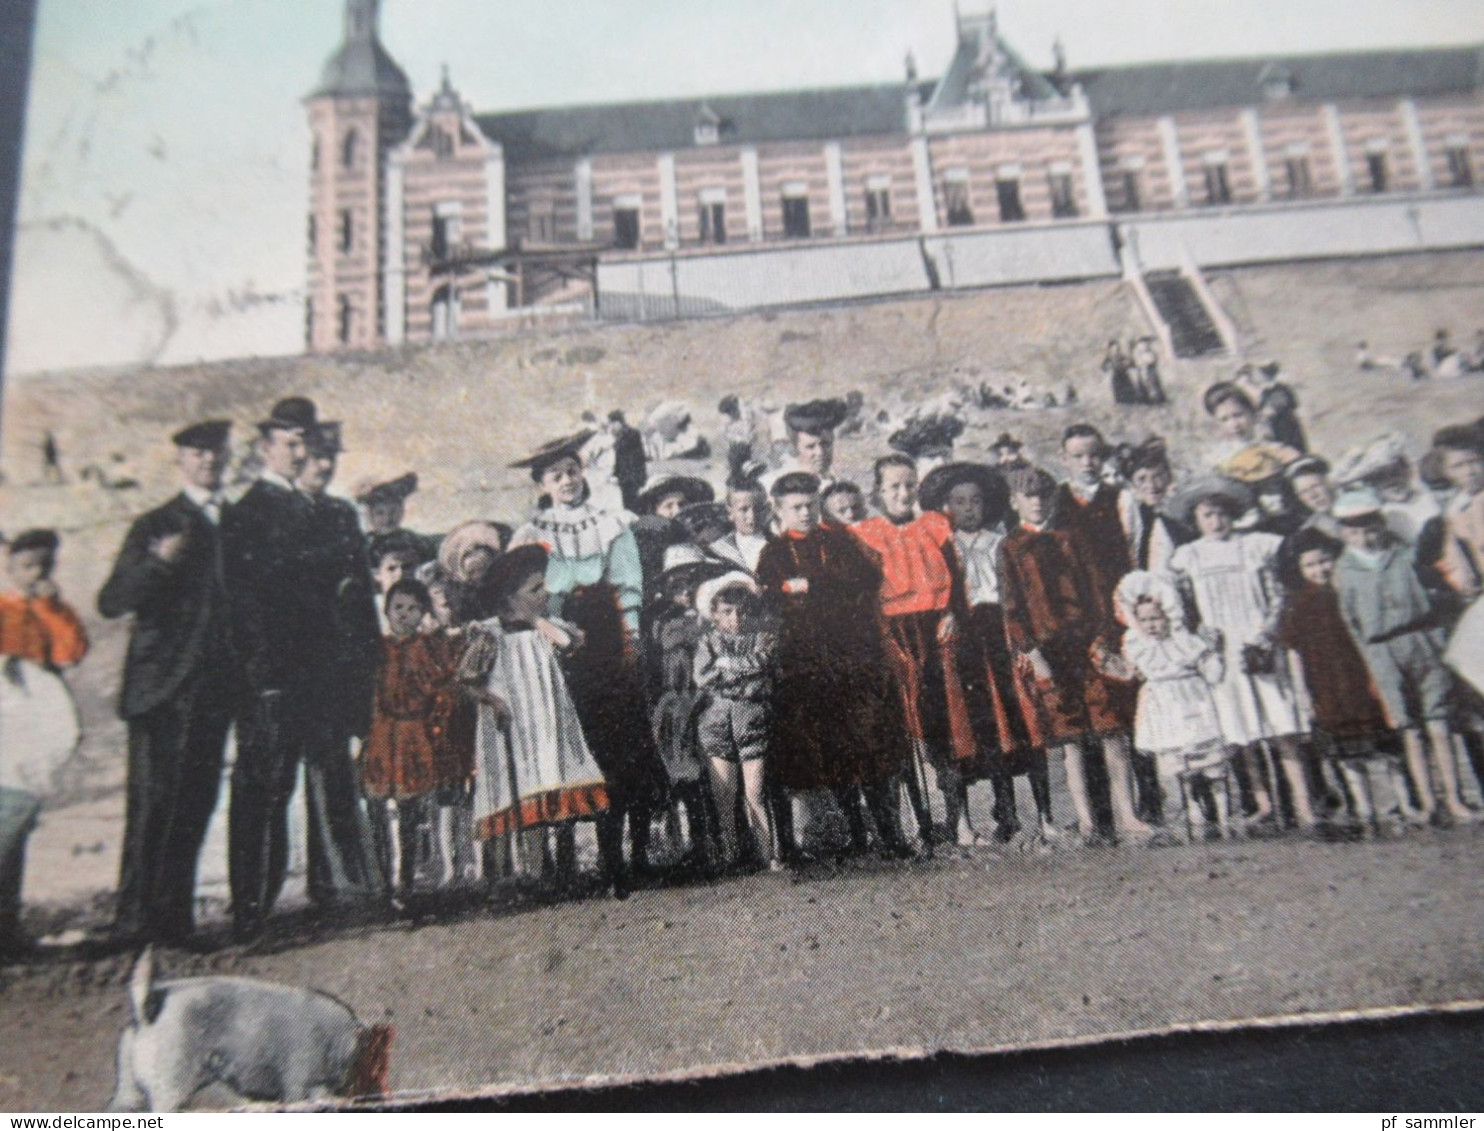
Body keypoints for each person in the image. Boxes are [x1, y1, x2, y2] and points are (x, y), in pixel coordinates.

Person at [221, 397, 376, 940]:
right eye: (290, 443)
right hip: (274, 682)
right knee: (264, 788)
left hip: (328, 676)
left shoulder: (335, 513)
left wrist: (363, 675)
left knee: (334, 780)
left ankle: (343, 892)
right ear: (266, 448)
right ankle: (251, 906)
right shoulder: (246, 514)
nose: (301, 452)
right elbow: (243, 607)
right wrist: (261, 679)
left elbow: (356, 604)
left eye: (305, 442)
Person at [98, 419, 238, 946]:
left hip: (213, 689)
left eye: (215, 454)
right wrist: (157, 564)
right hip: (160, 690)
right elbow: (112, 600)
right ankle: (133, 923)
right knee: (154, 805)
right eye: (197, 454)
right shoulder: (156, 523)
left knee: (195, 802)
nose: (207, 462)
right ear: (180, 460)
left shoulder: (235, 521)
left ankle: (175, 922)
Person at [509, 433, 666, 886]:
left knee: (627, 742)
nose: (567, 481)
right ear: (543, 483)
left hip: (610, 641)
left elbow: (627, 584)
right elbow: (521, 598)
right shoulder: (533, 534)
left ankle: (637, 855)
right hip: (562, 647)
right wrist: (547, 630)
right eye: (556, 476)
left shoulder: (611, 523)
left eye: (572, 472)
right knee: (583, 745)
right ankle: (595, 858)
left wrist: (631, 638)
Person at [756, 471, 914, 863]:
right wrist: (816, 588)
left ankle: (889, 833)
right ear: (778, 509)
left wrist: (808, 587)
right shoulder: (773, 554)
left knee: (870, 744)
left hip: (853, 659)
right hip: (805, 664)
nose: (805, 512)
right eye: (795, 507)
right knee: (831, 750)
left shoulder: (841, 540)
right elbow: (771, 598)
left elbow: (865, 583)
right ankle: (856, 834)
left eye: (810, 504)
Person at [458, 544, 624, 896]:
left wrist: (536, 619)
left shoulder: (545, 628)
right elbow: (467, 679)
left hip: (551, 720)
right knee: (524, 786)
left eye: (543, 586)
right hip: (514, 726)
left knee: (560, 779)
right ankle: (531, 874)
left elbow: (568, 643)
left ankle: (568, 868)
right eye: (534, 590)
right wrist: (492, 700)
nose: (545, 593)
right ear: (508, 599)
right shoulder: (490, 634)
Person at [997, 467, 1141, 842]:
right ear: (1015, 502)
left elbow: (1097, 592)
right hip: (1049, 650)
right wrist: (1031, 651)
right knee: (1071, 738)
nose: (1037, 502)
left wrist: (1104, 638)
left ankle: (1127, 815)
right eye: (1029, 496)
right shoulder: (1011, 547)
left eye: (1044, 494)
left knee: (1111, 730)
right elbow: (1011, 607)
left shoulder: (1073, 538)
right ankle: (1088, 821)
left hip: (1088, 644)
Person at [1167, 477, 1317, 830]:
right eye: (1207, 515)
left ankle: (1303, 803)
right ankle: (1264, 803)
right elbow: (1186, 608)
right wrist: (1200, 632)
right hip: (1222, 650)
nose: (1216, 521)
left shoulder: (1255, 547)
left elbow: (1277, 595)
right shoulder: (1189, 557)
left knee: (1281, 727)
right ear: (1196, 520)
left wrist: (1266, 633)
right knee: (1243, 731)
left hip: (1257, 644)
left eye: (1221, 513)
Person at [851, 455, 981, 848]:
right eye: (893, 487)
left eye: (909, 485)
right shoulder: (867, 534)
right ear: (878, 492)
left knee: (948, 725)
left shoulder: (935, 525)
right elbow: (864, 596)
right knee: (907, 727)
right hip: (893, 634)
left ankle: (961, 822)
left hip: (938, 630)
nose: (903, 493)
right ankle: (917, 824)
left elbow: (957, 580)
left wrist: (953, 613)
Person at [1331, 489, 1475, 824]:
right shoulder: (1345, 571)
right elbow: (1352, 624)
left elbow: (1437, 597)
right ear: (1343, 534)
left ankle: (1454, 798)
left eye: (1369, 529)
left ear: (1381, 525)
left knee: (1438, 722)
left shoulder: (1407, 555)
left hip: (1423, 639)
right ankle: (1428, 803)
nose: (1364, 538)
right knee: (1408, 727)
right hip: (1382, 649)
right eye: (1353, 532)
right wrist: (1372, 663)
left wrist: (1438, 641)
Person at [295, 420, 386, 911]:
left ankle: (341, 879)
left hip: (345, 659)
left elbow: (359, 598)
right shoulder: (285, 515)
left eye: (329, 459)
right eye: (314, 458)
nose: (323, 467)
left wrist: (369, 658)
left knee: (340, 771)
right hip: (306, 663)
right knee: (321, 771)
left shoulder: (340, 513)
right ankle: (333, 880)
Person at [919, 461, 1035, 842]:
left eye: (975, 501)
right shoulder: (940, 547)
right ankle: (961, 818)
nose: (968, 509)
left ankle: (1008, 812)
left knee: (1002, 721)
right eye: (959, 502)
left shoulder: (999, 543)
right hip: (959, 641)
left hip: (996, 635)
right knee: (963, 724)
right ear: (945, 507)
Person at [1051, 425, 1155, 836]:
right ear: (1065, 459)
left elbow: (1132, 551)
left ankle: (1144, 805)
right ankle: (1096, 814)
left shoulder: (1121, 499)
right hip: (1074, 618)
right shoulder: (1056, 500)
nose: (1086, 463)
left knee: (1126, 707)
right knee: (1088, 710)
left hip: (1114, 612)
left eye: (1093, 454)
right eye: (1077, 456)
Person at [0, 529, 88, 957]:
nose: (37, 575)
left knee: (16, 828)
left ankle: (7, 929)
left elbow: (71, 653)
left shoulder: (50, 610)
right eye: (28, 567)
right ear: (10, 567)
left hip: (28, 737)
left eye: (44, 567)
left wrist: (50, 607)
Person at [1114, 572, 1234, 841]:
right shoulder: (1138, 645)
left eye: (1156, 618)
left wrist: (1214, 653)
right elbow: (1133, 672)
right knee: (1178, 763)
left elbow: (1212, 672)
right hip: (1163, 706)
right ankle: (1191, 814)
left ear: (1169, 614)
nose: (1151, 625)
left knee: (1210, 761)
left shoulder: (1185, 643)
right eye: (1144, 620)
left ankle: (1223, 814)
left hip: (1192, 700)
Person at [361, 580, 447, 900]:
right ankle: (383, 881)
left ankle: (407, 879)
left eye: (413, 609)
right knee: (377, 808)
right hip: (382, 733)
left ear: (423, 613)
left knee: (410, 810)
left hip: (413, 734)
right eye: (398, 607)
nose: (405, 615)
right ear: (386, 610)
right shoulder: (378, 649)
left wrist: (433, 729)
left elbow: (437, 690)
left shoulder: (426, 648)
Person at [693, 574, 781, 872]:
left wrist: (727, 665)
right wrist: (739, 671)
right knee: (724, 794)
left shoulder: (763, 636)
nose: (736, 618)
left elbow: (763, 662)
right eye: (727, 612)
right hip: (718, 720)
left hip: (752, 718)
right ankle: (731, 856)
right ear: (714, 615)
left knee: (755, 791)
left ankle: (768, 853)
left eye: (742, 611)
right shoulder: (707, 642)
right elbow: (703, 678)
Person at [1118, 438, 1193, 573]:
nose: (1151, 486)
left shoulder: (1181, 516)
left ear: (1169, 477)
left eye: (1158, 476)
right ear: (1132, 485)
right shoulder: (1134, 519)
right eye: (1142, 479)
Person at [354, 473, 436, 566]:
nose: (387, 518)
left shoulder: (412, 540)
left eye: (393, 512)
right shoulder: (366, 545)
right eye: (380, 513)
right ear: (371, 515)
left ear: (401, 511)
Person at [709, 479, 772, 576]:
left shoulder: (778, 544)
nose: (752, 516)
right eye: (743, 509)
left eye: (758, 508)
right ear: (730, 513)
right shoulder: (718, 550)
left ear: (767, 509)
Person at [1253, 361, 1307, 453]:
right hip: (1275, 426)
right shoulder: (1265, 392)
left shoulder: (1282, 388)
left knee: (1295, 447)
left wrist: (1277, 408)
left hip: (1288, 423)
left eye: (1261, 374)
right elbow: (1260, 409)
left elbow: (1293, 404)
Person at [609, 410, 648, 514]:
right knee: (628, 505)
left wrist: (615, 439)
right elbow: (619, 459)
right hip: (625, 478)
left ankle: (639, 525)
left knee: (633, 506)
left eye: (613, 423)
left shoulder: (632, 434)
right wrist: (615, 474)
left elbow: (638, 457)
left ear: (619, 422)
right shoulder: (620, 435)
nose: (612, 427)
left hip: (632, 477)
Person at [1129, 336, 1166, 405]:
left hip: (1151, 371)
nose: (1144, 346)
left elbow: (1154, 360)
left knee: (1153, 384)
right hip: (1142, 371)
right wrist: (1142, 362)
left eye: (1145, 344)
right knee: (1143, 384)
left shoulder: (1150, 351)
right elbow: (1137, 362)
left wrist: (1149, 361)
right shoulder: (1137, 352)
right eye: (1142, 344)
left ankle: (1157, 399)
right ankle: (1145, 399)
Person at [1103, 340, 1138, 406]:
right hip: (1116, 377)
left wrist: (1128, 363)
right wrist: (1109, 367)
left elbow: (1132, 365)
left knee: (1128, 393)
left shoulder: (1122, 356)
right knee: (1119, 394)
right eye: (1113, 349)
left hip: (1124, 376)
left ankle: (1131, 402)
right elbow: (1104, 367)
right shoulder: (1109, 358)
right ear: (1110, 349)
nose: (1115, 350)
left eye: (1117, 348)